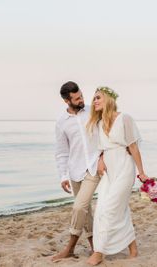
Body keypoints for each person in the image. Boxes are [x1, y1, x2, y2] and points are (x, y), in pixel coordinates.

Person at [85, 87, 149, 266]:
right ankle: (133, 249)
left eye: (98, 98)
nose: (95, 101)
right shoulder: (99, 123)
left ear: (108, 99)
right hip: (109, 172)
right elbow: (102, 148)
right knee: (108, 209)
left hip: (124, 169)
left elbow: (133, 147)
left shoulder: (124, 118)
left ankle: (99, 252)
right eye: (94, 98)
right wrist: (101, 159)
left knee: (110, 210)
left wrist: (141, 172)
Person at [53, 81, 105, 262]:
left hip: (93, 167)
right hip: (74, 170)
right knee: (86, 210)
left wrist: (103, 157)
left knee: (78, 206)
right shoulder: (61, 122)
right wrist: (63, 176)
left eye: (82, 95)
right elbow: (61, 152)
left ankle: (69, 247)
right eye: (77, 98)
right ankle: (94, 248)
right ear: (67, 101)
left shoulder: (93, 111)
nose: (82, 100)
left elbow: (108, 132)